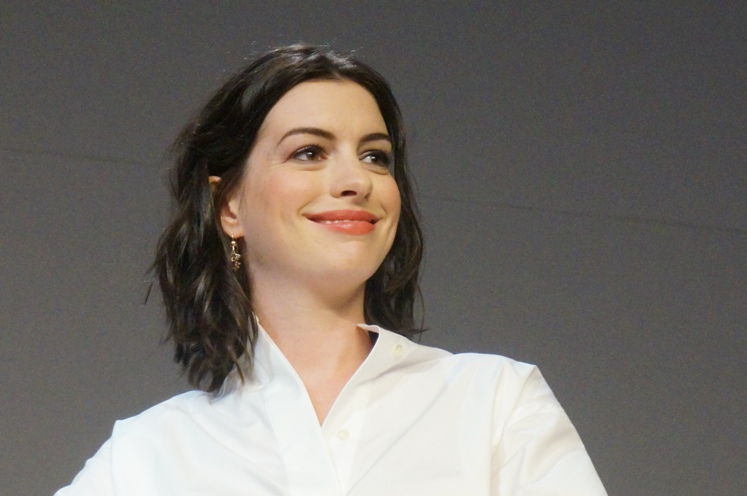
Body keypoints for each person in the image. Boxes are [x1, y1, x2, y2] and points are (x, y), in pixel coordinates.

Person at [55, 44, 607, 495]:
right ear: (229, 207)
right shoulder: (147, 456)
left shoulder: (494, 403)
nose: (356, 180)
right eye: (309, 152)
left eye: (375, 157)